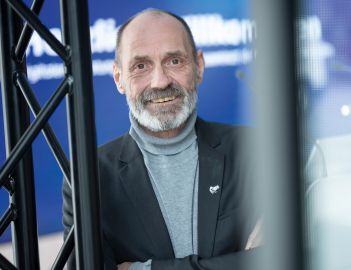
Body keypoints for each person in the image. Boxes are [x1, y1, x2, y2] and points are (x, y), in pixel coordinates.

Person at [62, 8, 261, 270]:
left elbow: (282, 257)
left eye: (174, 61)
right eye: (141, 66)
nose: (160, 81)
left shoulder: (255, 149)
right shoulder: (88, 177)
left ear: (198, 66)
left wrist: (144, 269)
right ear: (119, 78)